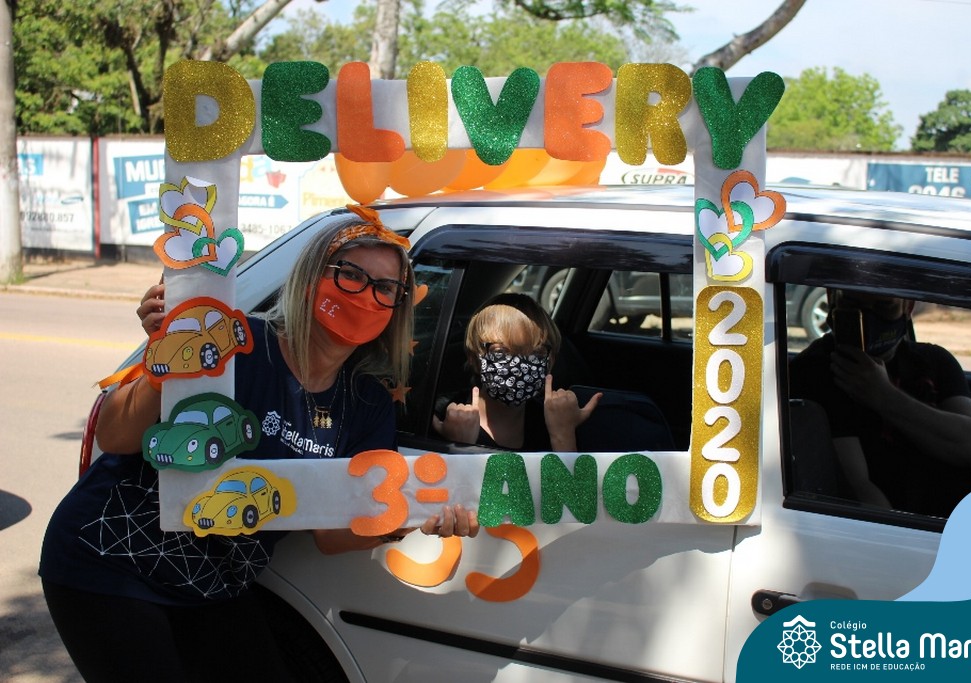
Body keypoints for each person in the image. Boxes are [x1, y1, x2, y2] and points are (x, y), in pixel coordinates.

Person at [39, 206, 479, 683]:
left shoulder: (367, 404)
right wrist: (166, 358)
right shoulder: (237, 341)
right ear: (311, 278)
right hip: (109, 562)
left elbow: (331, 534)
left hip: (212, 586)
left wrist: (410, 519)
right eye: (350, 274)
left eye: (385, 288)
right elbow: (113, 435)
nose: (366, 294)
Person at [788, 288, 971, 516]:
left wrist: (884, 395)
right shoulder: (816, 372)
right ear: (832, 298)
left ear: (908, 307)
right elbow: (858, 490)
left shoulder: (934, 360)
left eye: (884, 306)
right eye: (852, 304)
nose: (867, 316)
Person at [432, 292, 601, 451]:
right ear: (474, 359)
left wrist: (563, 435)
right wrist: (458, 446)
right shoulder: (444, 416)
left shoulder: (555, 420)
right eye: (501, 352)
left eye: (536, 353)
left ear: (551, 362)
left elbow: (569, 475)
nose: (519, 365)